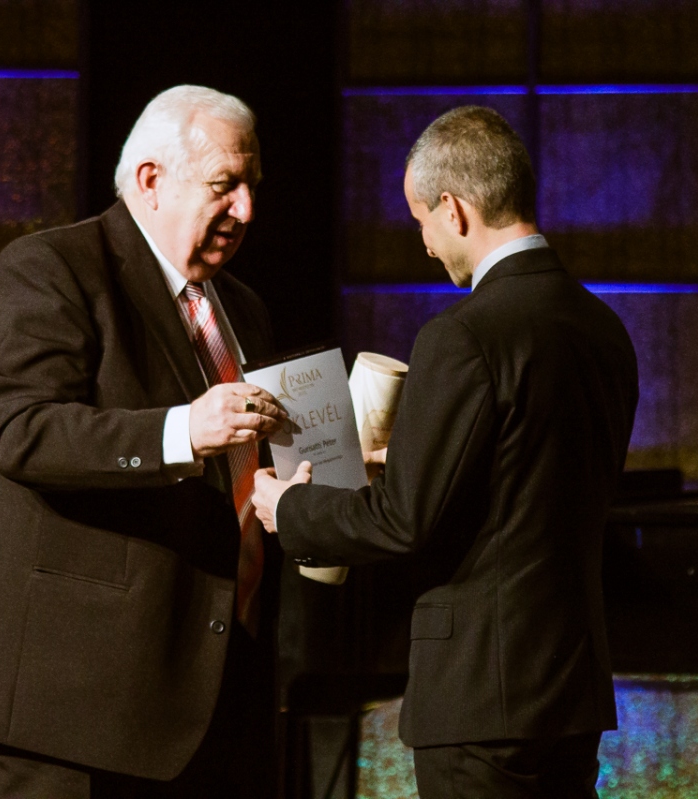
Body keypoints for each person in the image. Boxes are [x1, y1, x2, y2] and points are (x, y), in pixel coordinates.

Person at [253, 106, 639, 798]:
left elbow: (402, 522)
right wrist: (417, 456)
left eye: (420, 220)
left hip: (480, 697)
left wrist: (291, 508)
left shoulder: (461, 335)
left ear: (453, 209)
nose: (426, 245)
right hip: (570, 690)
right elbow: (529, 477)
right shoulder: (604, 327)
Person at [0, 84, 286, 798]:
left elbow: (244, 471)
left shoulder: (241, 308)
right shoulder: (52, 266)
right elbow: (19, 430)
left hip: (203, 694)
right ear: (151, 180)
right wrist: (182, 430)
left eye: (252, 187)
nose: (246, 209)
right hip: (68, 704)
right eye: (224, 185)